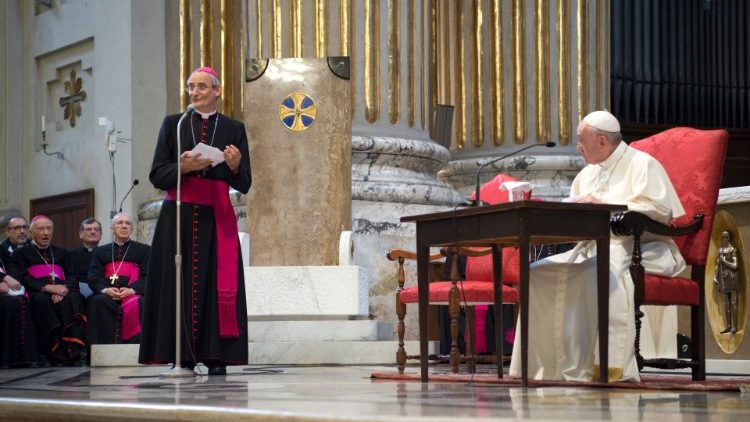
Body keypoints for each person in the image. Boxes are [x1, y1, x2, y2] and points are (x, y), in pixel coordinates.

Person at [509, 110, 686, 382]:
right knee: (536, 272)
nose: (577, 146)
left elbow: (659, 212)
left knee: (596, 272)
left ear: (602, 141)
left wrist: (601, 204)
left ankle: (598, 366)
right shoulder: (586, 174)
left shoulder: (642, 164)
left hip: (638, 248)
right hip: (591, 247)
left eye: (581, 140)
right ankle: (544, 367)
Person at [138, 66, 251, 375]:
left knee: (216, 284)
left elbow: (244, 183)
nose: (195, 92)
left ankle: (217, 357)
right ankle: (182, 356)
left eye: (202, 87)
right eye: (191, 87)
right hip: (179, 216)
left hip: (217, 216)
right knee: (178, 282)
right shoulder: (174, 124)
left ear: (217, 91)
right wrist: (183, 167)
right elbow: (157, 174)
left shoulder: (233, 127)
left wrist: (235, 165)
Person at [14, 215, 86, 366]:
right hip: (37, 291)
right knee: (41, 300)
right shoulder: (20, 254)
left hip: (62, 290)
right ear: (31, 232)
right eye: (41, 229)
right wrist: (47, 288)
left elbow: (73, 275)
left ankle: (73, 352)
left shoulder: (62, 253)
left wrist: (64, 289)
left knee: (75, 298)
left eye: (49, 228)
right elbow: (23, 277)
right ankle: (48, 354)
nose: (46, 232)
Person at [87, 212, 150, 345]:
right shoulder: (100, 251)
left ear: (132, 229)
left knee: (143, 303)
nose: (124, 226)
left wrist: (132, 290)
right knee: (97, 301)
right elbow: (93, 277)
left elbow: (148, 276)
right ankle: (102, 351)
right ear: (112, 229)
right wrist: (106, 290)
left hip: (134, 294)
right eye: (120, 223)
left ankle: (136, 349)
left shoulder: (144, 250)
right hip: (108, 295)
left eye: (128, 223)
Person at [0, 247, 40, 368]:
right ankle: (5, 358)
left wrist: (7, 280)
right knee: (11, 303)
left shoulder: (3, 250)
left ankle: (23, 357)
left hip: (6, 290)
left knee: (20, 301)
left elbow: (14, 268)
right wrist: (3, 278)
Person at [69, 218, 103, 298]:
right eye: (88, 229)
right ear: (81, 234)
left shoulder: (106, 254)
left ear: (101, 234)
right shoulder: (71, 255)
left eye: (96, 229)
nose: (93, 232)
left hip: (99, 293)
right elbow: (70, 277)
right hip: (76, 292)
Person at [714, 230, 739, 334]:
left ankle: (734, 326)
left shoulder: (733, 250)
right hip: (723, 277)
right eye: (723, 237)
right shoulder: (720, 250)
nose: (725, 239)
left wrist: (724, 261)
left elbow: (735, 265)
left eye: (727, 237)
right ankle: (728, 326)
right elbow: (717, 265)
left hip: (732, 276)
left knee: (733, 302)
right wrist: (715, 276)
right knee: (726, 303)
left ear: (730, 237)